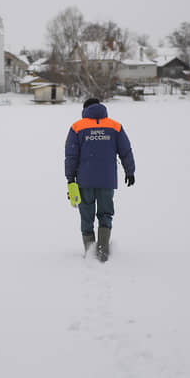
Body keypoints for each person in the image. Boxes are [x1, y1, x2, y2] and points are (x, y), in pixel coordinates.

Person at [64, 98, 135, 262]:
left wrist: (70, 178)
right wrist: (130, 171)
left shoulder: (77, 127)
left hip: (84, 180)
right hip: (107, 180)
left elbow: (71, 156)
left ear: (85, 109)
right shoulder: (115, 126)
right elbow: (126, 151)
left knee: (86, 216)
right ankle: (102, 252)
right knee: (105, 214)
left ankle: (90, 252)